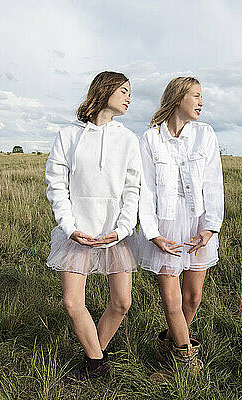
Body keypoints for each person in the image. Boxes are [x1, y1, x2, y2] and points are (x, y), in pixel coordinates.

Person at [44, 71, 141, 381]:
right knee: (73, 303)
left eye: (130, 92)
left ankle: (94, 357)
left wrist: (124, 228)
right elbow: (56, 184)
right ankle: (97, 365)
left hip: (115, 232)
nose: (129, 97)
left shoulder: (127, 138)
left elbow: (133, 188)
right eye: (124, 90)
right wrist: (69, 226)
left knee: (122, 302)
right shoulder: (68, 135)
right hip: (76, 232)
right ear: (105, 91)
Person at [137, 76, 224, 372]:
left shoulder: (206, 134)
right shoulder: (150, 139)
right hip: (165, 225)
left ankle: (169, 345)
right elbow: (145, 189)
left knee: (193, 297)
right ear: (178, 98)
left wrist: (210, 227)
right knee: (171, 299)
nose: (202, 102)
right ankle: (187, 360)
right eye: (197, 96)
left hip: (199, 222)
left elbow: (214, 183)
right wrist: (152, 233)